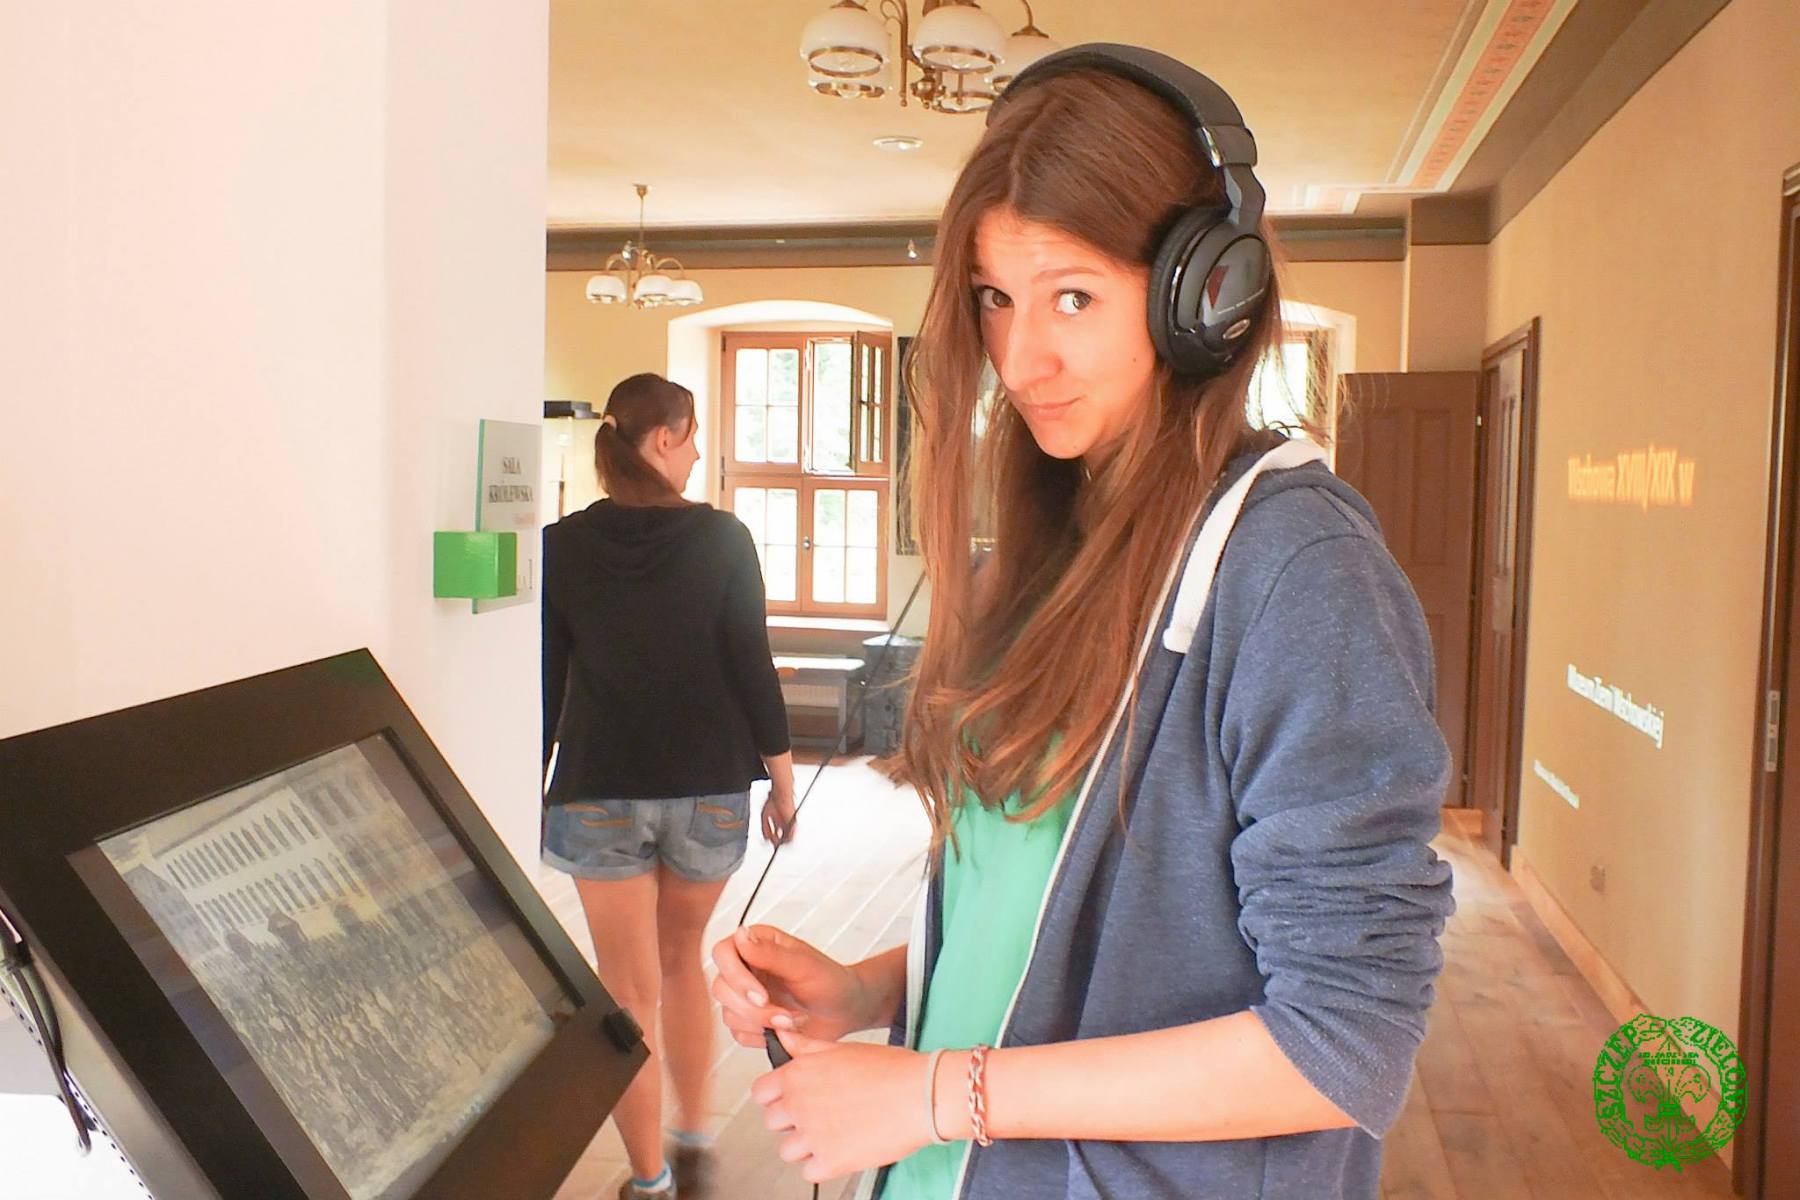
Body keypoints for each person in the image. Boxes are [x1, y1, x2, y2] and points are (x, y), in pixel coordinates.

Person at [709, 44, 1454, 1200]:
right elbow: (1071, 928)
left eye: (1074, 297)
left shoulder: (1299, 573)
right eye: (995, 299)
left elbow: (1342, 1041)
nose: (1021, 360)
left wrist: (937, 1092)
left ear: (1207, 297)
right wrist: (869, 992)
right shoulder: (1057, 544)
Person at [542, 372, 797, 1200]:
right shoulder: (724, 538)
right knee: (682, 961)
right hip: (709, 788)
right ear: (661, 440)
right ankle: (692, 1136)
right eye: (690, 438)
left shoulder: (561, 545)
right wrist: (783, 783)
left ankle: (648, 1180)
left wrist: (527, 784)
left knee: (626, 992)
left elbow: (546, 685)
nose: (694, 455)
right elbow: (753, 665)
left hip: (598, 789)